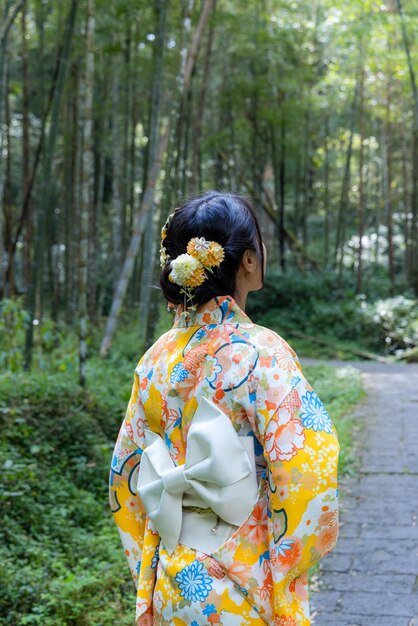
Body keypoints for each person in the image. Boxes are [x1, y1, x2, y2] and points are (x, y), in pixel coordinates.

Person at [109, 190, 339, 626]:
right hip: (244, 578)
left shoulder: (156, 357)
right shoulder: (261, 352)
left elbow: (126, 473)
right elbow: (310, 469)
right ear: (249, 261)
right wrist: (287, 564)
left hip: (172, 575)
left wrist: (149, 555)